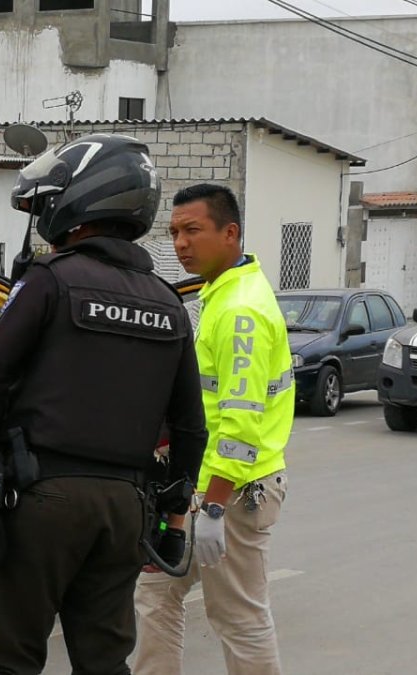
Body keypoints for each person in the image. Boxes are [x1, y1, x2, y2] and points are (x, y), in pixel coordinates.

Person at [0, 133, 208, 675]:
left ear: (80, 200)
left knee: (12, 658)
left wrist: (1, 449)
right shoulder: (168, 302)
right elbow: (192, 427)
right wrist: (171, 505)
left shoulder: (49, 282)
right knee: (104, 660)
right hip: (125, 507)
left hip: (43, 498)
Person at [134, 184, 292, 675]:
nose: (181, 243)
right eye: (175, 231)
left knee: (238, 616)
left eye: (193, 230)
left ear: (230, 233)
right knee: (156, 594)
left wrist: (216, 507)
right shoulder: (219, 295)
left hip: (233, 491)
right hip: (197, 488)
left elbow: (242, 422)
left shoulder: (240, 309)